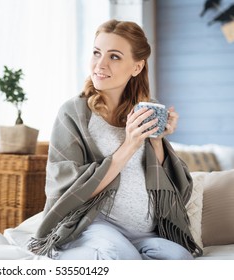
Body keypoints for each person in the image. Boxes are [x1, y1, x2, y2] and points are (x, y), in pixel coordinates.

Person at [28, 19, 203, 260]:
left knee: (180, 258)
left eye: (114, 57)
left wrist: (157, 140)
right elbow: (66, 186)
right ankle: (65, 254)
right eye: (97, 53)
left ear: (137, 67)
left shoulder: (146, 110)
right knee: (121, 255)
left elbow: (171, 188)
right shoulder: (74, 113)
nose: (100, 64)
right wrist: (129, 144)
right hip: (94, 224)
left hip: (145, 232)